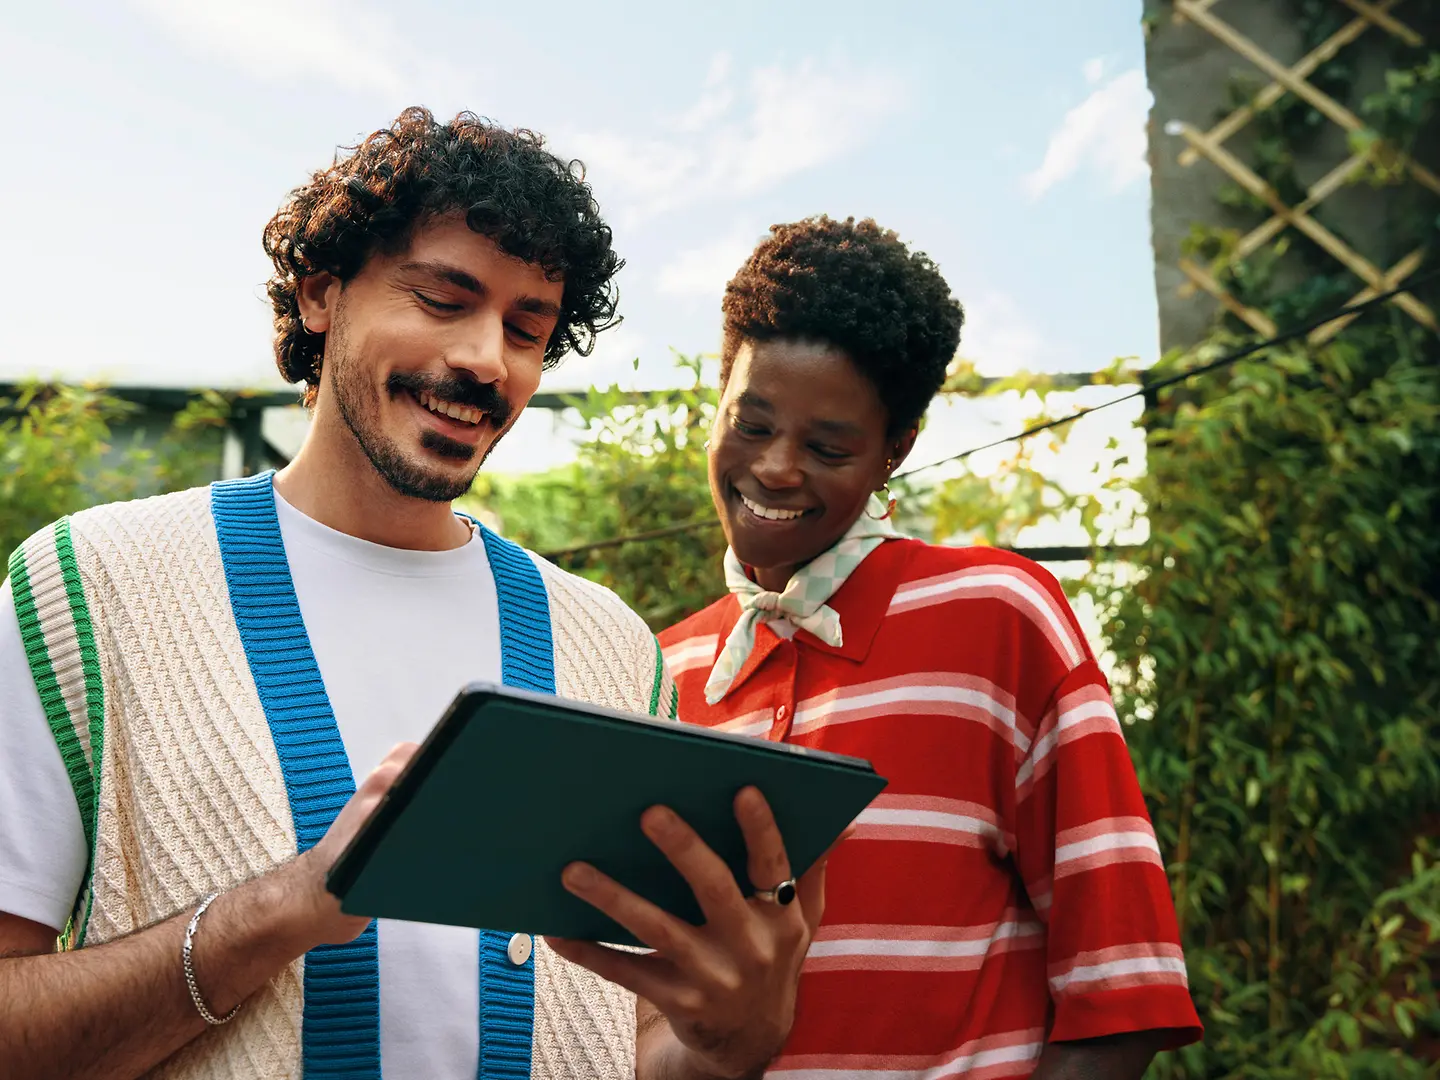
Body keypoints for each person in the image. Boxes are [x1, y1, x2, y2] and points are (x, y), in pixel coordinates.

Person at [0, 108, 824, 1080]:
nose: (488, 359)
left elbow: (611, 1043)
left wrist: (726, 1040)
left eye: (529, 328)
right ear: (320, 294)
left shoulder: (606, 645)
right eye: (444, 299)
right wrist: (278, 910)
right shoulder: (90, 591)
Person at [659, 216, 1204, 1079]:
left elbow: (1119, 991)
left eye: (828, 446)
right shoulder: (668, 670)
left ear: (894, 453)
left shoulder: (998, 617)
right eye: (751, 423)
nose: (775, 467)